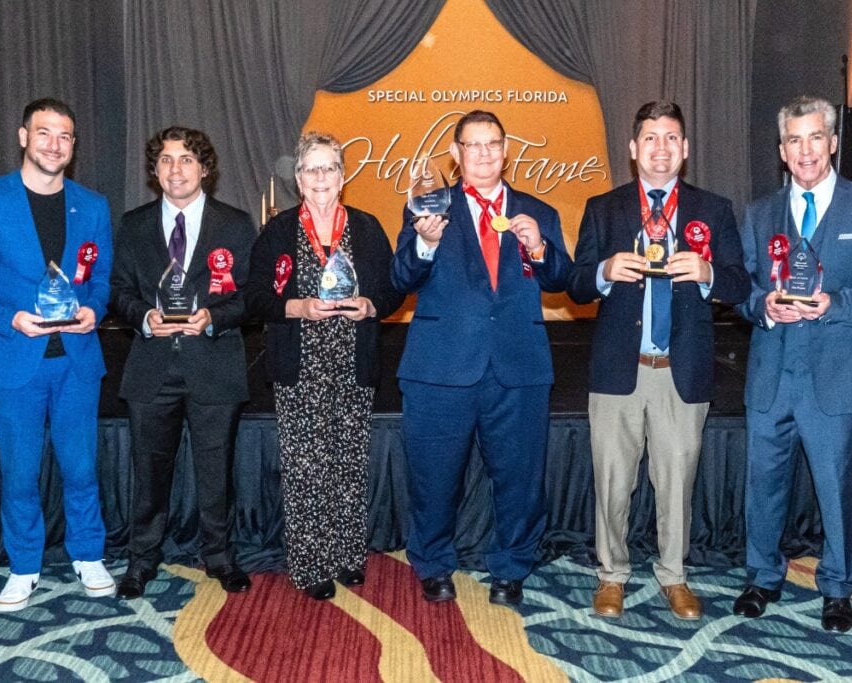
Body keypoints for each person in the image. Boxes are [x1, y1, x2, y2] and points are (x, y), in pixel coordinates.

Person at [568, 101, 749, 620]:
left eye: (671, 138)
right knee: (612, 482)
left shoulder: (713, 210)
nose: (661, 148)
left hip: (681, 371)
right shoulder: (603, 208)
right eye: (650, 138)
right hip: (617, 371)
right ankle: (612, 576)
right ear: (633, 149)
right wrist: (603, 270)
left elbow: (740, 285)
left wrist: (708, 270)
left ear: (685, 149)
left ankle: (674, 575)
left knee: (677, 481)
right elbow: (575, 284)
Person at [733, 96, 852, 632]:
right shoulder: (759, 213)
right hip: (771, 373)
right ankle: (763, 578)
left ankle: (837, 588)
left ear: (833, 142)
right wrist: (761, 304)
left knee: (836, 486)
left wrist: (839, 303)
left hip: (837, 375)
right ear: (781, 151)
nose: (805, 150)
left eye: (814, 138)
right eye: (793, 140)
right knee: (763, 484)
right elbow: (740, 288)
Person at [391, 110, 572, 606]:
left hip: (518, 368)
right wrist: (425, 244)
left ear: (506, 150)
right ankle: (432, 564)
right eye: (473, 145)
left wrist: (539, 247)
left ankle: (511, 568)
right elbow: (399, 278)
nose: (485, 153)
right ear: (456, 154)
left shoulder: (538, 211)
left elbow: (565, 280)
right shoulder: (427, 206)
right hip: (440, 368)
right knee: (433, 476)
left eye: (493, 143)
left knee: (519, 478)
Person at [0, 98, 116, 611]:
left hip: (76, 361)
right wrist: (9, 318)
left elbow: (100, 278)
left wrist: (94, 310)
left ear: (73, 145)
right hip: (12, 359)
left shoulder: (94, 205)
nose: (54, 145)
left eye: (64, 136)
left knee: (82, 466)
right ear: (23, 136)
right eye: (44, 133)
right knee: (19, 472)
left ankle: (89, 556)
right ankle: (23, 566)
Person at [245, 132, 403, 600]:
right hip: (301, 365)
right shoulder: (277, 232)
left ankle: (347, 555)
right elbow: (255, 298)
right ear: (297, 178)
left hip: (353, 361)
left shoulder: (368, 228)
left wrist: (371, 306)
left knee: (350, 462)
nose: (320, 177)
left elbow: (394, 291)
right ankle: (311, 563)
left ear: (343, 176)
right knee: (306, 466)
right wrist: (298, 308)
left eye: (329, 167)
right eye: (311, 168)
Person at [110, 126, 256, 598]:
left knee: (217, 471)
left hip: (214, 364)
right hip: (152, 367)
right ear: (155, 171)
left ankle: (220, 556)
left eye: (187, 159)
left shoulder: (234, 224)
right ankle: (142, 559)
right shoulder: (133, 225)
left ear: (205, 169)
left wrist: (213, 316)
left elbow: (251, 296)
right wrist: (145, 317)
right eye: (167, 160)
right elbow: (117, 292)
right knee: (149, 473)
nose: (177, 169)